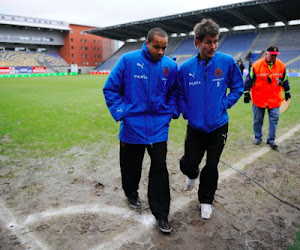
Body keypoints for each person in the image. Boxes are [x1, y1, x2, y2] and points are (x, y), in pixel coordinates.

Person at [103, 27, 178, 233]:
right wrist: (122, 112)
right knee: (130, 166)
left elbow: (174, 92)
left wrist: (170, 110)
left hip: (159, 129)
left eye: (164, 48)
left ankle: (162, 214)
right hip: (132, 127)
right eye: (157, 47)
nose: (161, 51)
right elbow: (110, 88)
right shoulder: (128, 60)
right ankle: (131, 193)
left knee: (160, 169)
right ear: (146, 43)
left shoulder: (170, 66)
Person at [177, 19, 243, 220]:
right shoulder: (185, 68)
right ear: (198, 43)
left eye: (215, 41)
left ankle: (206, 200)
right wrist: (186, 111)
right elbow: (180, 94)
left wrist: (224, 104)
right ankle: (191, 173)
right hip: (195, 127)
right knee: (189, 163)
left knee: (212, 165)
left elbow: (238, 87)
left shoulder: (227, 62)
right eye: (208, 42)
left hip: (218, 126)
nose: (213, 46)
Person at [244, 46, 291, 149]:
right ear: (266, 54)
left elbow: (285, 80)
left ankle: (271, 140)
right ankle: (258, 137)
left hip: (274, 99)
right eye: (272, 55)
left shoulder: (281, 66)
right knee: (257, 120)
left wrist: (287, 91)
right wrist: (246, 92)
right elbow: (249, 80)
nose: (274, 57)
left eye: (275, 55)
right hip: (259, 99)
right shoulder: (256, 66)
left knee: (274, 120)